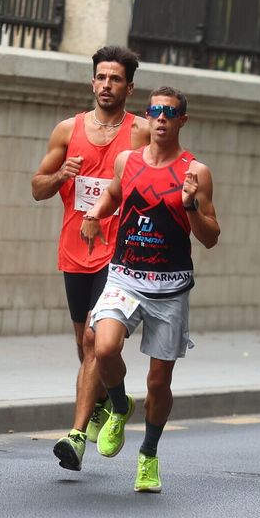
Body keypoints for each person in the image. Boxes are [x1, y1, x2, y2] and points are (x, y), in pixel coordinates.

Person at [79, 87, 219, 494]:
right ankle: (120, 406)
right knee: (102, 347)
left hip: (170, 289)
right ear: (148, 116)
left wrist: (191, 205)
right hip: (124, 275)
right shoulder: (128, 160)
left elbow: (210, 237)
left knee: (159, 382)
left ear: (182, 121)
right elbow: (113, 193)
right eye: (155, 111)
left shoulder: (197, 172)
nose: (161, 118)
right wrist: (95, 214)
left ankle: (148, 454)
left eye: (169, 113)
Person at [32, 46, 150, 472]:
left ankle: (76, 435)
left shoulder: (140, 133)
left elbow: (161, 176)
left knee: (91, 344)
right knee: (84, 345)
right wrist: (61, 175)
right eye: (101, 77)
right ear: (92, 82)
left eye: (115, 79)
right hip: (74, 251)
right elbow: (37, 187)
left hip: (119, 255)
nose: (106, 85)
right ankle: (116, 401)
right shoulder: (68, 130)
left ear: (129, 87)